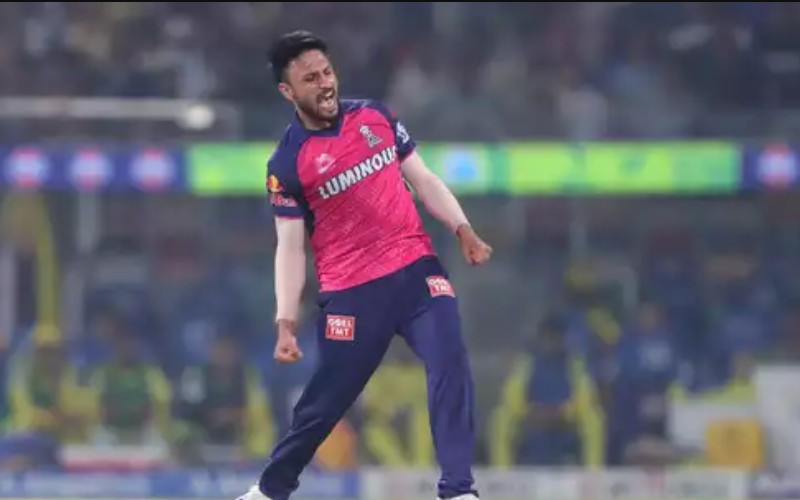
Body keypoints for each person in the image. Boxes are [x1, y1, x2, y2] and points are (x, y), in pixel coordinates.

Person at [238, 30, 492, 500]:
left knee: (450, 361)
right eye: (310, 79)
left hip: (417, 274)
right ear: (287, 91)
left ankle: (458, 490)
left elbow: (423, 179)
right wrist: (286, 320)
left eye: (327, 72)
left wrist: (462, 227)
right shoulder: (287, 163)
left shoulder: (375, 116)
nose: (325, 84)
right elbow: (289, 247)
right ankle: (270, 490)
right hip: (353, 295)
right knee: (326, 401)